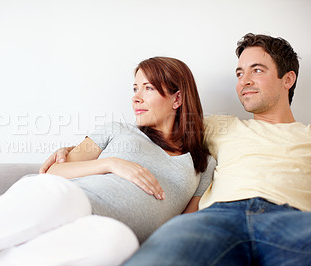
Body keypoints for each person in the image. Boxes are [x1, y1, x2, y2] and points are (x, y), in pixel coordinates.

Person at [0, 57, 215, 266]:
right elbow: (54, 171)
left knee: (118, 241)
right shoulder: (116, 130)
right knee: (64, 196)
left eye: (147, 88)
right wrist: (111, 164)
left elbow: (182, 225)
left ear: (177, 98)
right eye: (134, 88)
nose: (135, 98)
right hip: (65, 200)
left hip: (100, 230)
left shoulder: (202, 164)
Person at [44, 33, 311, 265]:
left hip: (290, 218)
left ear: (287, 79)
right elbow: (160, 120)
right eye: (240, 73)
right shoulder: (218, 126)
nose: (244, 81)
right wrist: (79, 150)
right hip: (217, 219)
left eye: (257, 70)